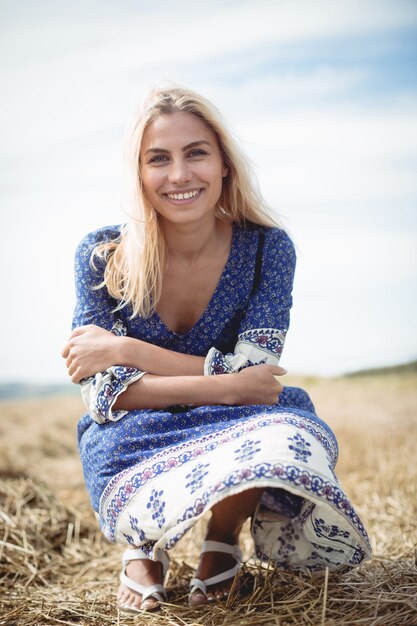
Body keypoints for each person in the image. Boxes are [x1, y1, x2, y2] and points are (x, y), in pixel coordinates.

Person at [61, 83, 371, 614]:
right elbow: (107, 397)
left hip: (232, 420)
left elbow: (259, 373)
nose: (179, 174)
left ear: (224, 164)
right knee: (161, 422)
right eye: (159, 159)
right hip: (139, 431)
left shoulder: (268, 249)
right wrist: (227, 384)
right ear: (139, 174)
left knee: (284, 426)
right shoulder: (101, 255)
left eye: (196, 153)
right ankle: (143, 544)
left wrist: (124, 349)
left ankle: (222, 535)